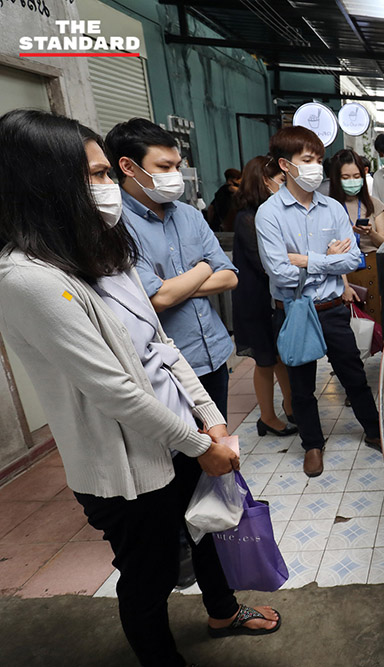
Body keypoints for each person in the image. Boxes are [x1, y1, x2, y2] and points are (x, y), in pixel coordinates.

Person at [0, 109, 279, 667]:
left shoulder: (105, 251)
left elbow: (162, 345)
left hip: (178, 435)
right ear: (46, 181)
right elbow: (115, 391)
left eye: (107, 173)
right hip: (126, 463)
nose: (108, 187)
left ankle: (222, 611)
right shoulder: (28, 278)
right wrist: (200, 445)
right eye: (97, 175)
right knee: (148, 572)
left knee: (205, 529)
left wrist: (210, 419)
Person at [255, 126, 382, 477]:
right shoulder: (270, 214)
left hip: (332, 308)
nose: (316, 167)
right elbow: (280, 273)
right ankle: (312, 444)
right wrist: (327, 259)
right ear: (285, 165)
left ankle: (374, 431)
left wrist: (306, 260)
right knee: (301, 386)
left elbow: (353, 260)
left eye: (319, 160)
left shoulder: (333, 208)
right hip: (295, 311)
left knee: (354, 375)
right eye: (308, 160)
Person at [106, 118, 238, 420]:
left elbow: (229, 277)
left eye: (177, 166)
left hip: (214, 353)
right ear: (128, 167)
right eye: (164, 167)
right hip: (165, 366)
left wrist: (173, 285)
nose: (175, 176)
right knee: (185, 446)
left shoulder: (189, 215)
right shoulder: (116, 224)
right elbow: (157, 299)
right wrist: (204, 268)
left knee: (219, 436)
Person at [231, 156, 297, 437]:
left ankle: (291, 407)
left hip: (272, 298)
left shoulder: (269, 213)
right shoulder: (247, 218)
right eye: (281, 180)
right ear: (264, 181)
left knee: (280, 356)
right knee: (265, 360)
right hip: (255, 300)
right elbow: (265, 263)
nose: (284, 186)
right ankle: (267, 417)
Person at [327, 148, 384, 321]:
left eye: (356, 176)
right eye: (346, 177)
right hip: (346, 270)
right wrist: (345, 286)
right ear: (336, 179)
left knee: (377, 321)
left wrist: (371, 233)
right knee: (354, 322)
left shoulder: (373, 204)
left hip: (374, 268)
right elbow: (332, 252)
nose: (352, 181)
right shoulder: (330, 207)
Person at [204, 167, 241, 232]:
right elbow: (239, 191)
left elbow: (211, 208)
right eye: (238, 179)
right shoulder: (228, 189)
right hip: (225, 226)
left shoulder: (220, 191)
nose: (240, 181)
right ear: (232, 180)